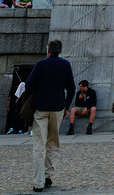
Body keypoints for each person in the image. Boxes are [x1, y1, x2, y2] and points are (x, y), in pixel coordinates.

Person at [23, 40, 75, 193]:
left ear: (48, 50)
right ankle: (48, 175)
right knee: (52, 142)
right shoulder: (65, 64)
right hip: (58, 108)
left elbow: (28, 85)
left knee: (39, 144)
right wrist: (66, 106)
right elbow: (71, 87)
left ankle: (38, 182)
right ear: (60, 50)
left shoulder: (40, 64)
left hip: (41, 108)